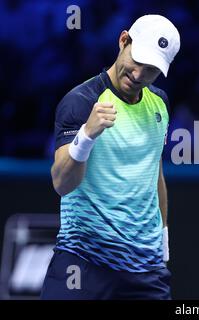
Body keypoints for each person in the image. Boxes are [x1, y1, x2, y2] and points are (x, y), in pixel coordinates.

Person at [40, 15, 180, 300]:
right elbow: (61, 183)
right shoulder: (81, 101)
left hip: (147, 270)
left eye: (151, 69)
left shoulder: (160, 104)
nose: (139, 75)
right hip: (83, 262)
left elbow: (154, 173)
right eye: (137, 61)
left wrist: (163, 238)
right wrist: (86, 136)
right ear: (123, 40)